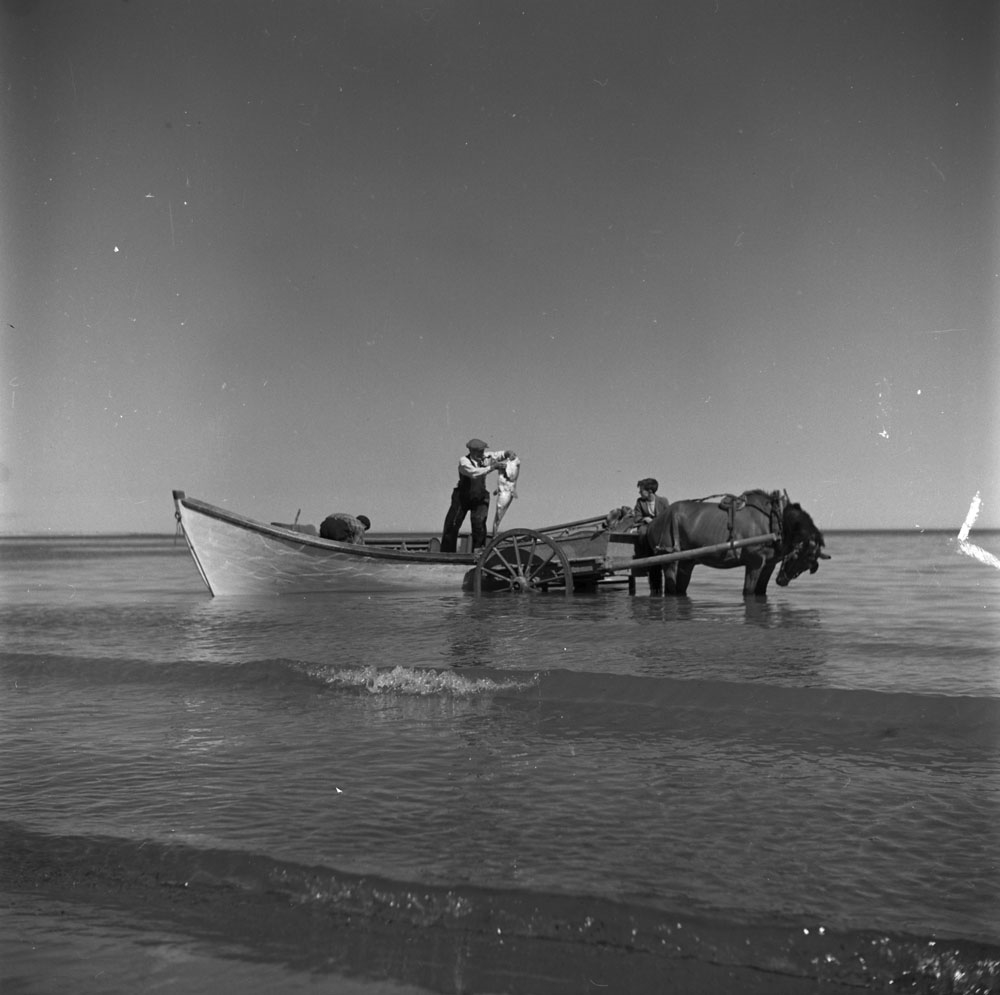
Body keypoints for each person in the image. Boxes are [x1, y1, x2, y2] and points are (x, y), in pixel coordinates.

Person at [441, 439, 516, 553]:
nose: (482, 453)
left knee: (479, 524)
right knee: (452, 524)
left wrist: (507, 453)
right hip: (462, 497)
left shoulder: (484, 458)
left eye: (483, 451)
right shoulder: (464, 461)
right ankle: (446, 554)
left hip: (479, 496)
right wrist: (492, 468)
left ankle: (478, 553)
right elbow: (474, 473)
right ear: (472, 451)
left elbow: (496, 455)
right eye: (480, 451)